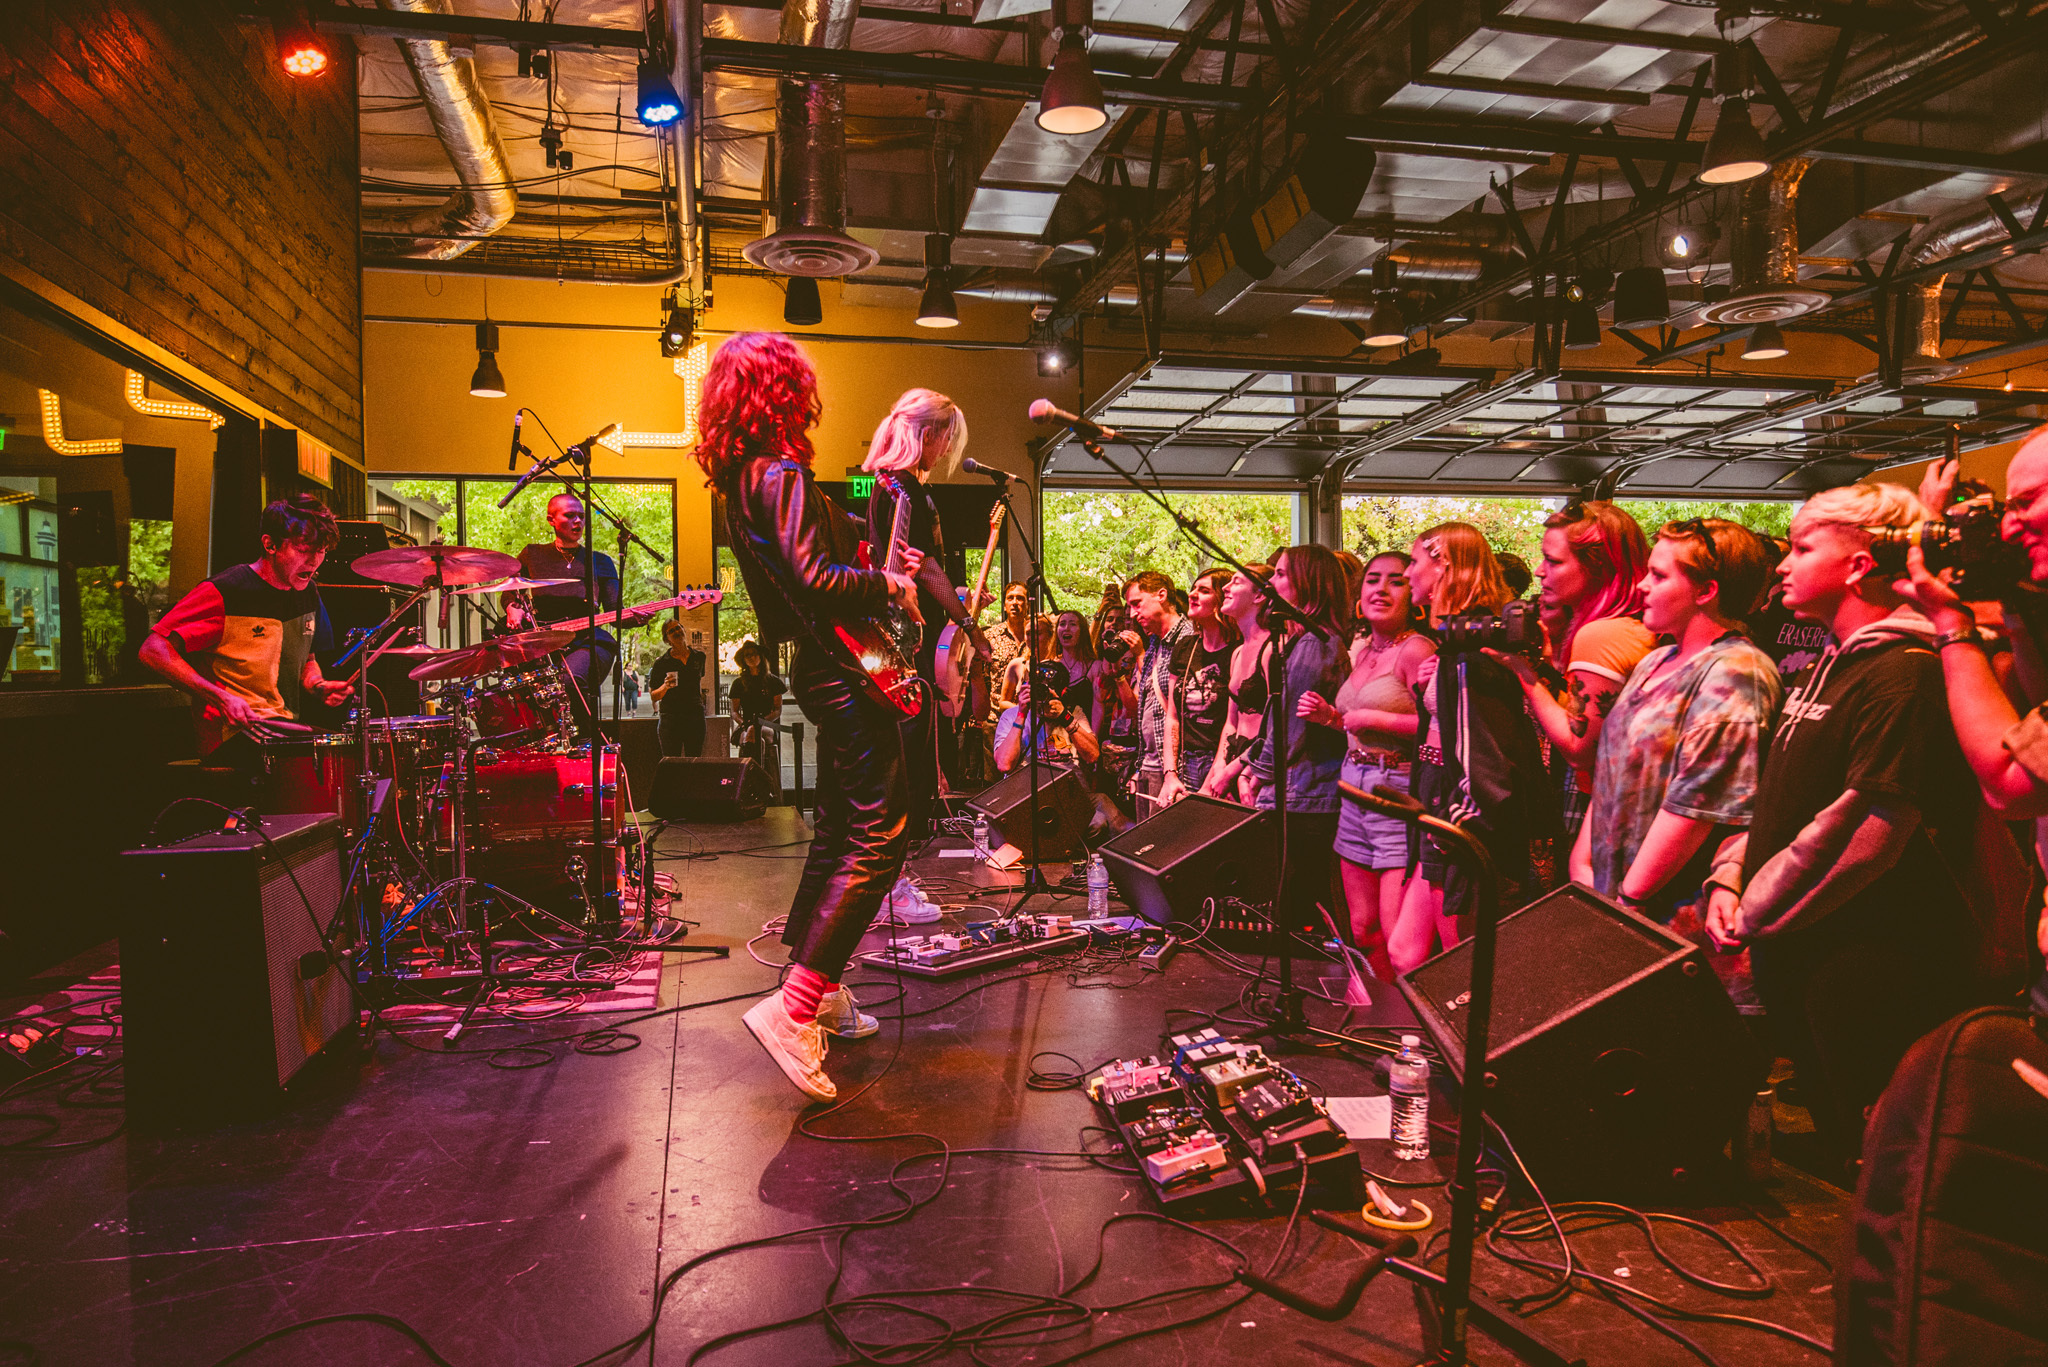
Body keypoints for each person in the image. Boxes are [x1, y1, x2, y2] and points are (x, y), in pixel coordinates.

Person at [1702, 483, 1987, 1165]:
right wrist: (1727, 874)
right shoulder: (1830, 666)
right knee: (1837, 1140)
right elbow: (1777, 793)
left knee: (1879, 1154)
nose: (1782, 564)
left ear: (1860, 564)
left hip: (1867, 957)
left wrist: (1756, 905)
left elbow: (1869, 829)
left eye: (1802, 547)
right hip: (1802, 948)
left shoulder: (1905, 672)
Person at [697, 332, 926, 1102]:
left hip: (820, 669)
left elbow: (804, 574)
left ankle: (820, 989)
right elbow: (817, 581)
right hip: (842, 668)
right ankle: (794, 1005)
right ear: (781, 390)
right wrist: (885, 586)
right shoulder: (781, 470)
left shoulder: (743, 477)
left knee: (839, 829)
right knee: (880, 834)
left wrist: (872, 562)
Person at [1572, 520, 1781, 926]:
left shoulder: (1737, 673)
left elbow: (1696, 809)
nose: (1642, 587)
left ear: (1706, 591)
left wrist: (1629, 899)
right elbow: (1612, 769)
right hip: (1610, 895)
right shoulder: (1656, 660)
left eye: (1660, 575)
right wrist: (1582, 865)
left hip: (1668, 914)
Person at [1394, 522, 1557, 972]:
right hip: (1436, 796)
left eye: (1413, 562)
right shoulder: (1454, 641)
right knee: (1405, 952)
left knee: (1461, 964)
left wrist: (1457, 822)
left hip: (1459, 809)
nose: (1407, 574)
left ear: (1443, 562)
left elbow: (1488, 754)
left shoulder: (1473, 647)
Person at [141, 493, 354, 775]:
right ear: (270, 544)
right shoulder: (225, 591)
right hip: (232, 733)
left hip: (281, 725)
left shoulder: (307, 593)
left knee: (351, 750)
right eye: (304, 549)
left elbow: (307, 660)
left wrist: (318, 685)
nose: (315, 560)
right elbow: (153, 650)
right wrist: (220, 697)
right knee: (322, 760)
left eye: (322, 550)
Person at [1299, 552, 1434, 971]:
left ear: (1414, 596)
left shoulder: (1416, 649)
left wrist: (1375, 717)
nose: (1381, 589)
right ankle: (1384, 1018)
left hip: (1396, 790)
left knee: (1398, 934)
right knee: (1363, 929)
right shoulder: (1362, 651)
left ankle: (1412, 1028)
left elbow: (1439, 727)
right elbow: (1357, 727)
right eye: (1373, 580)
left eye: (1396, 581)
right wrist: (1332, 718)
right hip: (1354, 788)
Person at [863, 388, 990, 829]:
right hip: (911, 634)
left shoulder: (884, 484)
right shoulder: (906, 488)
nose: (946, 450)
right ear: (928, 432)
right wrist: (970, 626)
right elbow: (927, 569)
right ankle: (911, 846)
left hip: (894, 633)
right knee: (915, 743)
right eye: (946, 439)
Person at [1493, 501, 1655, 841]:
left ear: (1596, 566)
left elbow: (1578, 749)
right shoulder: (1631, 624)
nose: (1538, 571)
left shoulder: (1601, 634)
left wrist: (1525, 674)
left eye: (1553, 561)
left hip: (1608, 805)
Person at [1241, 545, 1352, 935]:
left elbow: (1290, 726)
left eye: (1282, 574)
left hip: (1305, 796)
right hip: (1303, 793)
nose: (1271, 582)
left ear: (1310, 585)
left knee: (1297, 913)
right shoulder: (1307, 642)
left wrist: (1257, 773)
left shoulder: (1313, 645)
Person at [506, 490, 623, 727]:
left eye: (581, 516)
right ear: (551, 519)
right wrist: (512, 606)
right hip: (543, 641)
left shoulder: (599, 561)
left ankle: (586, 742)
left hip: (587, 638)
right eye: (570, 515)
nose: (578, 521)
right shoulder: (533, 554)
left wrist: (638, 617)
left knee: (571, 680)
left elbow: (615, 610)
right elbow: (511, 587)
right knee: (529, 696)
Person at [992, 661, 1130, 845]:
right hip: (1027, 798)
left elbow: (1093, 755)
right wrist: (1022, 714)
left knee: (1111, 815)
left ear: (1062, 693)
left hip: (1073, 797)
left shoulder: (1073, 713)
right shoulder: (1011, 716)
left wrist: (1064, 717)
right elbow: (1004, 765)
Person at [1159, 568, 1238, 805]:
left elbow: (1232, 722)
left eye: (1204, 591)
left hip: (1222, 763)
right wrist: (1170, 773)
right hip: (1185, 761)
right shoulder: (1185, 647)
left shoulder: (1239, 649)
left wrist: (1211, 779)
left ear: (1222, 599)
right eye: (1194, 588)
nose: (1193, 595)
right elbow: (1172, 716)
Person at [1199, 563, 1273, 803]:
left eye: (1237, 582)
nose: (1227, 588)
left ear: (1260, 595)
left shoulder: (1272, 650)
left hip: (1257, 769)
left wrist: (1237, 769)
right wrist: (1220, 766)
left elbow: (1276, 728)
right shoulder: (1238, 653)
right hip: (1233, 761)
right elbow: (1231, 722)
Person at [1124, 569, 1190, 811]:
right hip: (1151, 763)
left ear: (1161, 595)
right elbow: (1149, 705)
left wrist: (1173, 770)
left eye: (1137, 603)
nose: (1132, 613)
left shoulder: (1188, 639)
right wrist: (1140, 766)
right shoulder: (1154, 642)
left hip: (1176, 768)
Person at [647, 621, 707, 757]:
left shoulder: (699, 657)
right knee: (672, 763)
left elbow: (698, 681)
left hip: (695, 717)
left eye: (678, 628)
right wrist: (665, 686)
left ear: (684, 629)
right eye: (671, 631)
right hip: (671, 719)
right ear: (667, 639)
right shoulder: (661, 663)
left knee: (695, 760)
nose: (676, 632)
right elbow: (654, 696)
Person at [729, 640, 786, 769]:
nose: (752, 657)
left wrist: (759, 723)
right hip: (745, 724)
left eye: (754, 653)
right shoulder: (738, 684)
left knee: (753, 733)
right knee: (751, 735)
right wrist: (745, 724)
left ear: (760, 656)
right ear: (744, 660)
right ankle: (755, 776)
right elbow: (734, 712)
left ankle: (750, 774)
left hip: (767, 724)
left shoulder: (773, 682)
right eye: (747, 655)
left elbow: (777, 711)